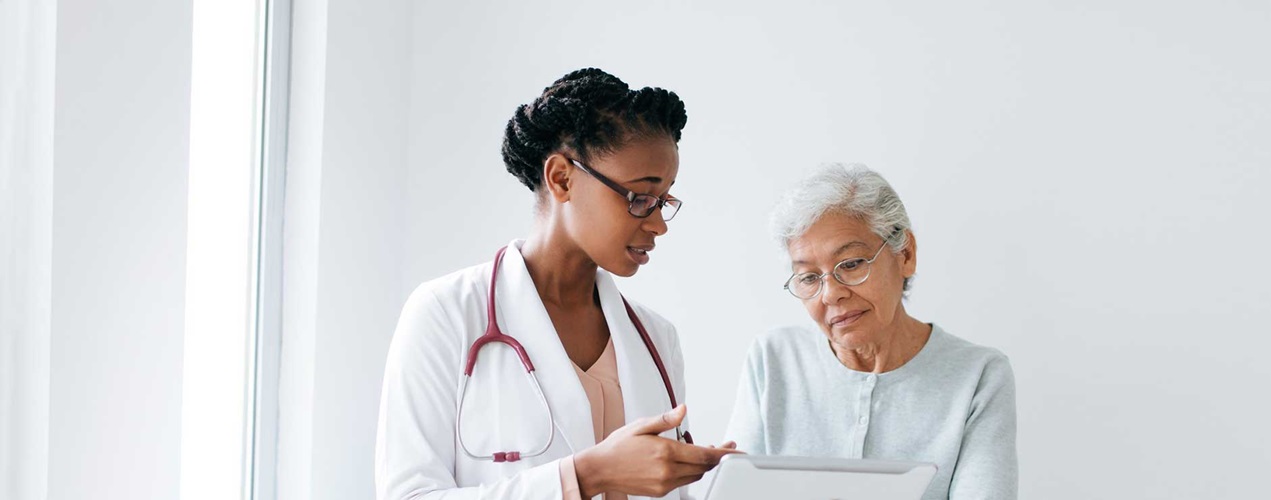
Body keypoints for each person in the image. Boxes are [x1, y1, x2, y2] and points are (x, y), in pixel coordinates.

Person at [376, 68, 737, 500]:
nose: (659, 224)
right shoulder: (445, 313)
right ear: (562, 178)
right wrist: (585, 476)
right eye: (640, 198)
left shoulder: (658, 338)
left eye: (664, 201)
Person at [726, 163, 1018, 499]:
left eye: (850, 264)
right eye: (809, 277)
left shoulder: (979, 376)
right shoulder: (773, 358)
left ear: (905, 255)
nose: (830, 293)